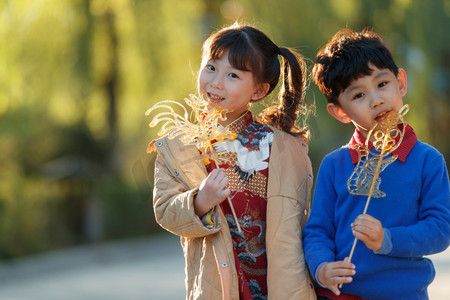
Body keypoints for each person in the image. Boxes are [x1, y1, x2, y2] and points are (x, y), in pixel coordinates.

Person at [149, 23, 316, 300]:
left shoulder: (284, 148)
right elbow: (165, 210)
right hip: (219, 282)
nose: (215, 82)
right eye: (211, 67)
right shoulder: (180, 146)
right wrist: (200, 201)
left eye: (233, 75)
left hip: (278, 284)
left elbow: (302, 222)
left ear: (259, 91)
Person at [303, 28, 450, 300]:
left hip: (404, 294)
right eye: (358, 95)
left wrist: (387, 239)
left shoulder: (427, 161)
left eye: (382, 84)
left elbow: (440, 229)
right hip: (340, 294)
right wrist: (321, 267)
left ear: (400, 82)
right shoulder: (334, 165)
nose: (376, 100)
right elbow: (318, 230)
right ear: (339, 112)